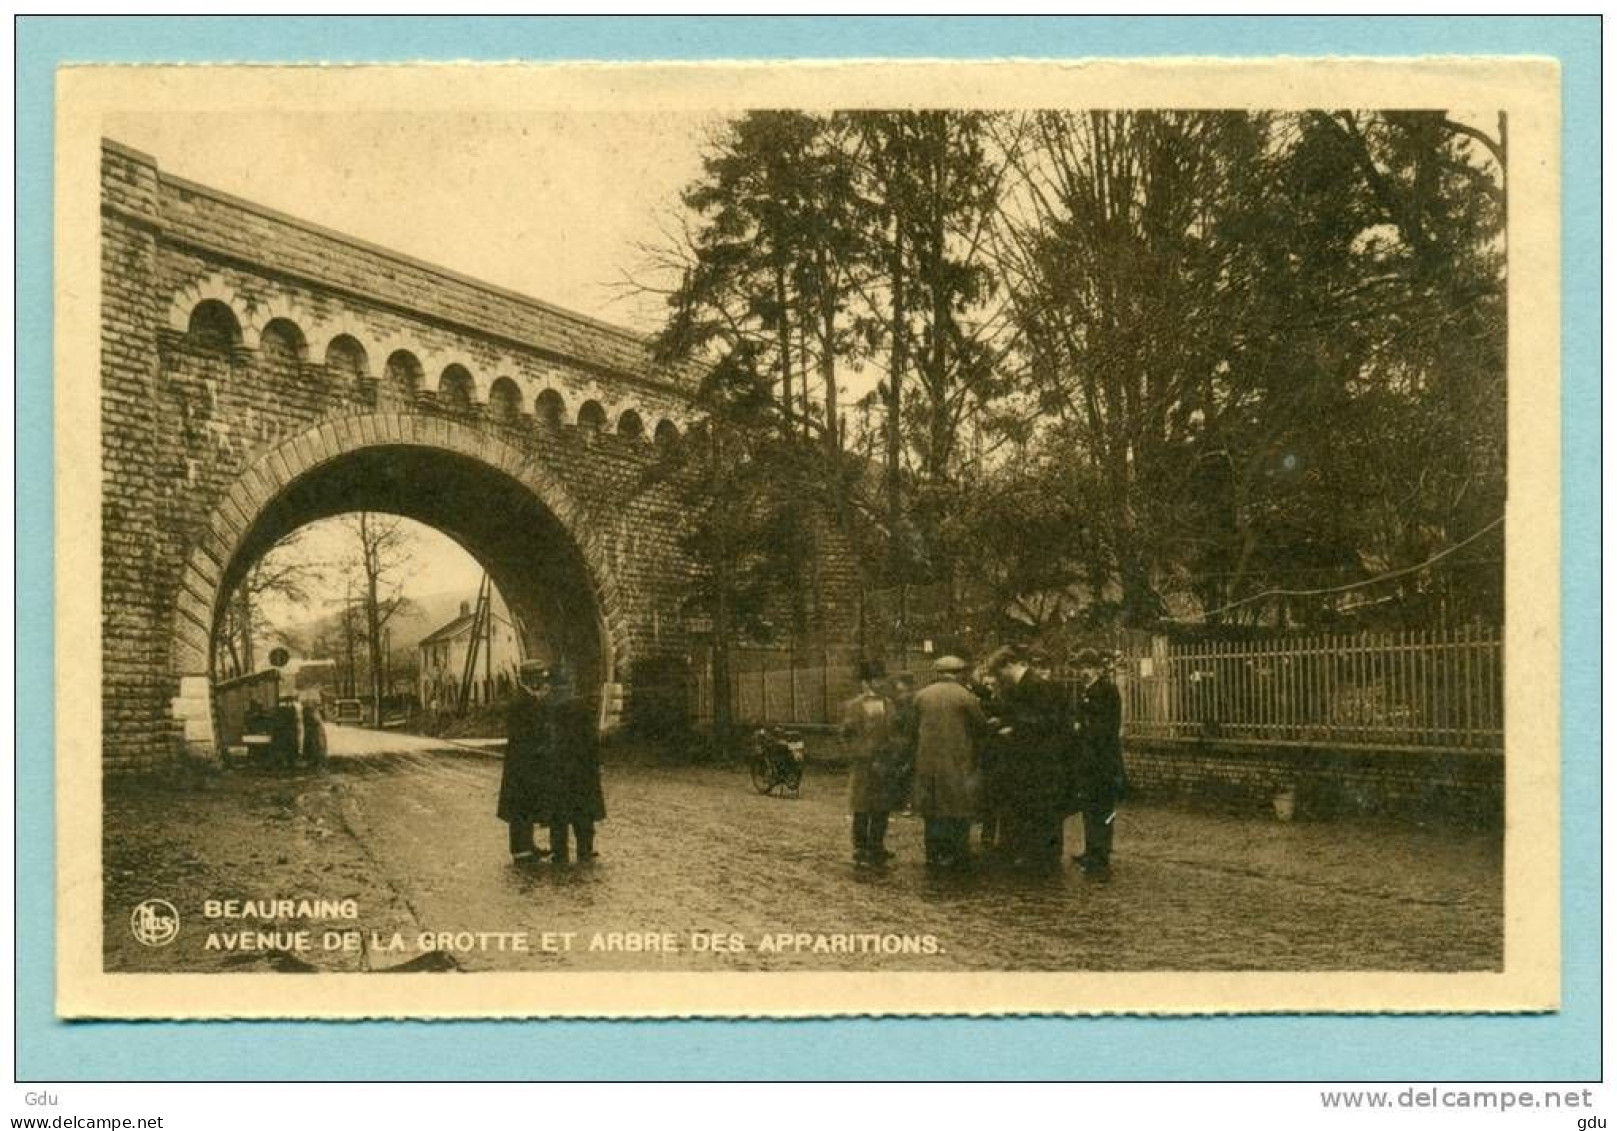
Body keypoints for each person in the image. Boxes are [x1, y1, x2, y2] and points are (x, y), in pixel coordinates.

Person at [984, 644, 1071, 868]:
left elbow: (1047, 722)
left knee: (1040, 807)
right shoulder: (1022, 686)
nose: (1000, 678)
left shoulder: (1036, 686)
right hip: (1029, 758)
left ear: (1010, 665)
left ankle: (1043, 855)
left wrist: (1013, 729)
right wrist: (1003, 721)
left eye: (1000, 672)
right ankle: (1035, 853)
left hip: (1040, 759)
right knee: (1032, 806)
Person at [911, 655, 991, 870]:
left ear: (938, 673)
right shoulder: (965, 696)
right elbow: (981, 726)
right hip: (957, 762)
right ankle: (955, 853)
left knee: (932, 809)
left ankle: (933, 853)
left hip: (927, 761)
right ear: (959, 673)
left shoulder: (921, 696)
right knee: (957, 808)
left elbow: (910, 728)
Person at [535, 664, 606, 863]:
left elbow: (543, 737)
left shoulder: (546, 705)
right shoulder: (580, 705)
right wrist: (596, 762)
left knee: (558, 812)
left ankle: (560, 851)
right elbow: (591, 738)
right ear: (568, 684)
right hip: (581, 767)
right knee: (583, 809)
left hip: (556, 767)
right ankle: (585, 849)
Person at [1071, 648, 1126, 876]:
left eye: (1088, 667)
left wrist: (1081, 726)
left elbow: (1105, 726)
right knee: (1089, 806)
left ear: (1098, 669)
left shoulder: (1106, 690)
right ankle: (1091, 849)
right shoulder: (1087, 690)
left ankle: (1100, 854)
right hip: (1089, 760)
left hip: (1103, 760)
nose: (1083, 671)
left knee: (1102, 808)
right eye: (1081, 667)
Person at [840, 661, 897, 865]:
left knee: (882, 806)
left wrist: (891, 753)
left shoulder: (890, 704)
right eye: (877, 679)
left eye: (883, 679)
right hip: (864, 764)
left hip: (884, 763)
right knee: (862, 806)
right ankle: (861, 847)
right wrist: (859, 753)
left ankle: (877, 845)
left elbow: (894, 732)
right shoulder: (855, 706)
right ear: (868, 682)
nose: (881, 683)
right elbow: (846, 734)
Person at [497, 660, 553, 862]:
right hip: (522, 762)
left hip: (524, 761)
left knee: (526, 803)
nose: (542, 681)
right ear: (531, 678)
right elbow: (529, 730)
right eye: (539, 677)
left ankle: (527, 845)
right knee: (520, 804)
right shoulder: (523, 701)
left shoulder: (525, 698)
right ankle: (521, 851)